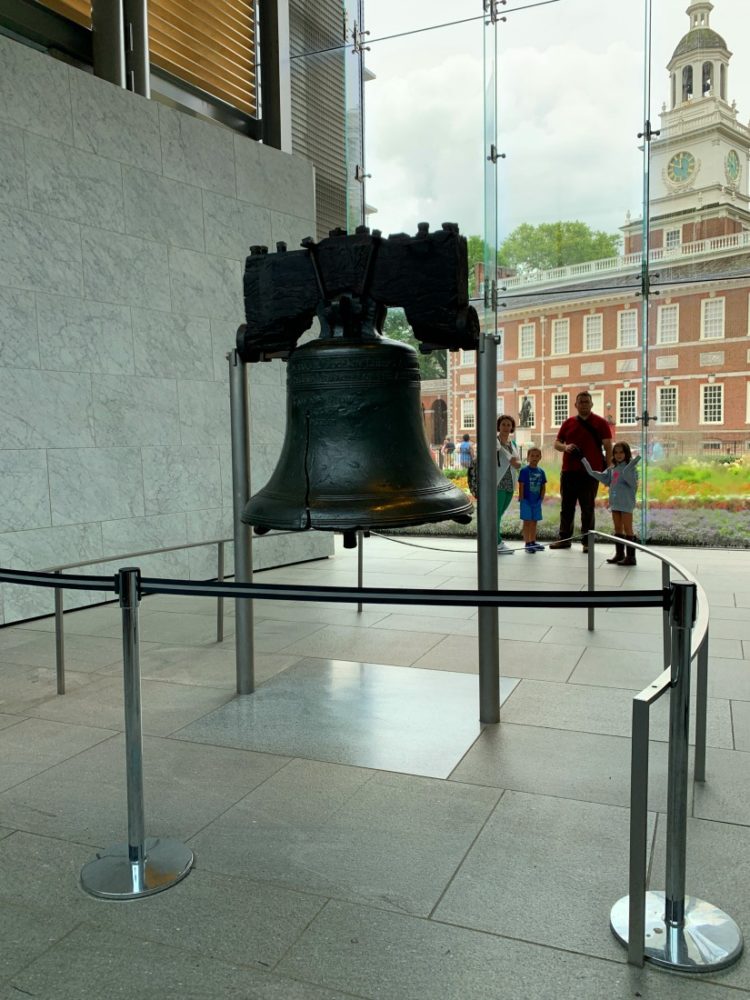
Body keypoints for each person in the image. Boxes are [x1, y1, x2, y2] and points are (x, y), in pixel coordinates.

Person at [549, 390, 613, 553]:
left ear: (591, 404)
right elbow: (556, 444)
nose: (584, 404)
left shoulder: (601, 423)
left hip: (591, 473)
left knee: (588, 507)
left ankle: (587, 542)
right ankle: (564, 539)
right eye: (581, 401)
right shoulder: (568, 423)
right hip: (569, 471)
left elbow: (608, 446)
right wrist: (565, 447)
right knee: (567, 507)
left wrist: (610, 468)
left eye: (586, 401)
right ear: (575, 405)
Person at [582, 442, 641, 565]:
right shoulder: (612, 469)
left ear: (627, 453)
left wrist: (627, 470)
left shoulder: (631, 469)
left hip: (626, 503)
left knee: (628, 529)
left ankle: (631, 557)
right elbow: (601, 476)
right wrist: (584, 462)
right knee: (618, 528)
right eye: (616, 452)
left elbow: (633, 484)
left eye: (621, 452)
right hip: (615, 502)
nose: (619, 455)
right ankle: (620, 554)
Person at [496, 414, 522, 555]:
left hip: (510, 483)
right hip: (497, 482)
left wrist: (517, 463)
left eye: (508, 425)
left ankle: (495, 541)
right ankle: (497, 542)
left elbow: (518, 463)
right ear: (498, 426)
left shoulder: (513, 444)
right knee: (496, 514)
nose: (506, 427)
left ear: (512, 427)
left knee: (500, 513)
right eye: (503, 424)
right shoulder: (495, 442)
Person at [518, 446, 547, 553]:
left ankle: (533, 541)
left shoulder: (541, 472)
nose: (534, 458)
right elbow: (521, 484)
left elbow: (543, 486)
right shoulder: (524, 471)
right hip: (526, 500)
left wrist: (542, 497)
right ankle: (527, 543)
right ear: (528, 457)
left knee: (534, 521)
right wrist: (521, 498)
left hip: (536, 501)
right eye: (532, 456)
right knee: (527, 522)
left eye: (537, 456)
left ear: (540, 457)